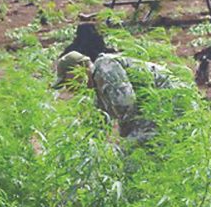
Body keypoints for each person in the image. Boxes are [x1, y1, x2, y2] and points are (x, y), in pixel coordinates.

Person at [54, 51, 188, 143]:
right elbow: (101, 124)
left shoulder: (105, 67)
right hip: (159, 107)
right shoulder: (98, 90)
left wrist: (125, 141)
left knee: (138, 151)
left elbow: (127, 104)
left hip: (174, 99)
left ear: (79, 69)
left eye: (67, 80)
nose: (68, 88)